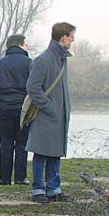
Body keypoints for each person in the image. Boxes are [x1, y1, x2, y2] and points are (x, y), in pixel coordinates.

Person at [26, 22, 76, 204]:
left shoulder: (62, 59)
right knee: (41, 152)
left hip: (59, 116)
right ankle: (38, 190)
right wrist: (49, 107)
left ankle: (54, 189)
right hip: (45, 116)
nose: (73, 40)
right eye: (71, 36)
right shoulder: (43, 59)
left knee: (54, 152)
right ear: (63, 37)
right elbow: (32, 87)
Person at [0, 35, 32, 185]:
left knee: (5, 143)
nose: (27, 46)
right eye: (26, 44)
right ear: (19, 45)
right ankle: (20, 178)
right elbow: (35, 86)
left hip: (4, 107)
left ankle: (4, 178)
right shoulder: (29, 63)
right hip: (23, 109)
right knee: (22, 143)